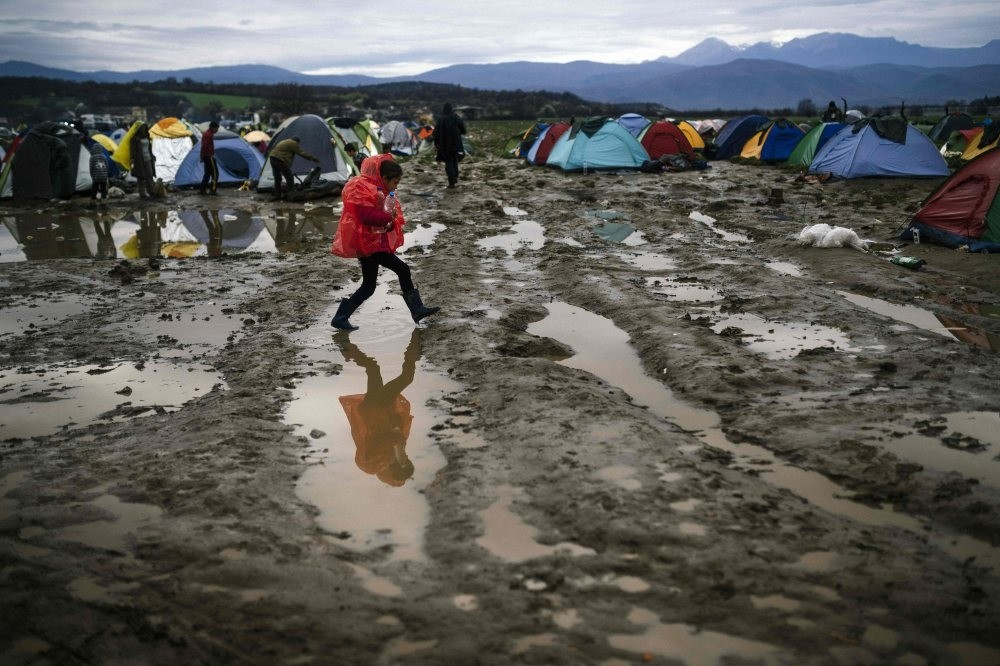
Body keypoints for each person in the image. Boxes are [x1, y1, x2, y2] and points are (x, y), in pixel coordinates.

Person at [330, 155, 439, 330]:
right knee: (391, 275)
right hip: (367, 245)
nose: (396, 186)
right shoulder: (361, 188)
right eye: (395, 182)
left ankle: (341, 317)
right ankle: (416, 309)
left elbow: (378, 219)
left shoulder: (378, 190)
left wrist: (388, 225)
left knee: (371, 285)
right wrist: (388, 217)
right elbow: (365, 216)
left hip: (374, 243)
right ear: (384, 178)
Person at [335, 329, 420, 486]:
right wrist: (398, 440)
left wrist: (398, 442)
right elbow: (396, 431)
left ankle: (417, 345)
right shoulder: (390, 458)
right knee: (373, 369)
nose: (406, 460)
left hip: (375, 408)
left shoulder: (374, 462)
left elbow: (386, 439)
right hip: (380, 409)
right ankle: (346, 347)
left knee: (403, 376)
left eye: (405, 464)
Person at [269, 135, 319, 200]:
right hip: (279, 160)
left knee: (277, 178)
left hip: (272, 158)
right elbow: (302, 153)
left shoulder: (284, 141)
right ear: (297, 141)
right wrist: (313, 158)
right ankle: (291, 194)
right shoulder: (293, 143)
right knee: (289, 177)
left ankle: (277, 195)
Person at [432, 102, 467, 188]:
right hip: (456, 144)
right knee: (455, 160)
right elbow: (463, 130)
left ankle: (451, 182)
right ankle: (455, 177)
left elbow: (436, 133)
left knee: (449, 162)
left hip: (445, 144)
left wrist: (437, 143)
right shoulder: (456, 117)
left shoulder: (441, 119)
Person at [129, 123, 156, 199]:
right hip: (139, 160)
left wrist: (152, 156)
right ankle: (142, 193)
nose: (143, 129)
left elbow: (149, 148)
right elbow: (133, 150)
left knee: (150, 174)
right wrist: (132, 158)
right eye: (142, 128)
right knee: (140, 176)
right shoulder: (135, 138)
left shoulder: (147, 136)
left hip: (148, 158)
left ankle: (150, 191)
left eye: (144, 127)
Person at [199, 121, 219, 195]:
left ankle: (202, 189)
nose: (217, 130)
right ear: (213, 128)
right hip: (209, 156)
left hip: (206, 156)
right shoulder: (208, 135)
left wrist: (202, 156)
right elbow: (204, 146)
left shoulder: (207, 134)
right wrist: (202, 156)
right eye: (216, 128)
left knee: (207, 174)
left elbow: (203, 146)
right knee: (215, 174)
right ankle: (213, 190)